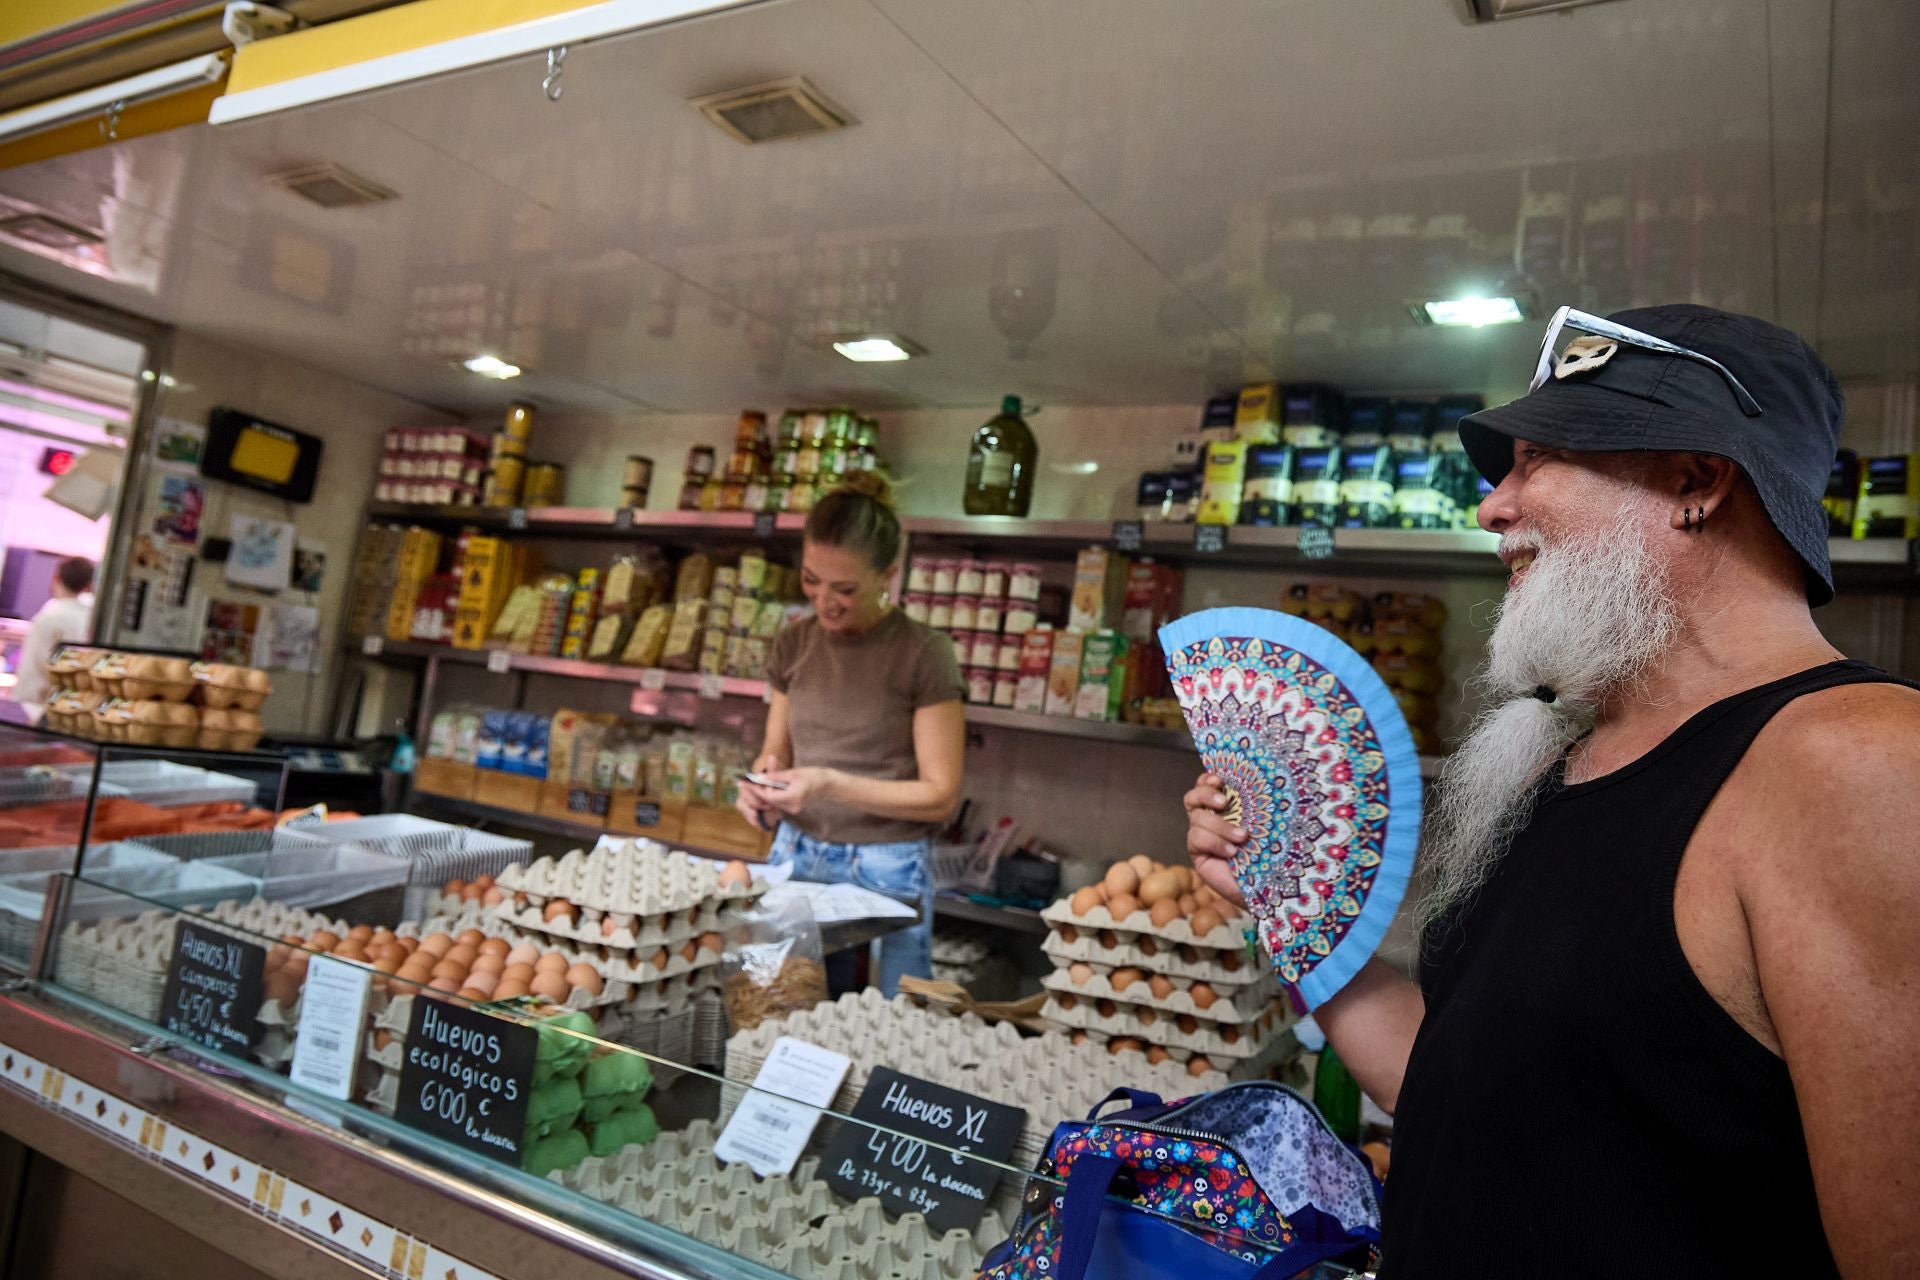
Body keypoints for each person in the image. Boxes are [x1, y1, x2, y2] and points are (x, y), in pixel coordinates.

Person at [1184, 305, 1920, 1278]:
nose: (1493, 504)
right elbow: (1460, 1089)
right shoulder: (1557, 752)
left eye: (1539, 461)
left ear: (1695, 479)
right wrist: (1291, 906)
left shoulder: (1863, 763)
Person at [738, 473, 965, 996]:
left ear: (889, 574)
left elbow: (940, 796)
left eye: (845, 589)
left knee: (890, 1031)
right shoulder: (794, 644)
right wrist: (763, 786)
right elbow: (777, 750)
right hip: (798, 849)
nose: (825, 602)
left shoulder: (922, 652)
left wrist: (826, 783)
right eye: (812, 580)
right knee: (777, 1011)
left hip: (888, 864)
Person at [8, 557, 94, 722]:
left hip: (43, 713)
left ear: (55, 578)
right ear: (89, 584)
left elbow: (32, 675)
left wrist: (19, 715)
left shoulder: (49, 618)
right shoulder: (93, 616)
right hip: (77, 711)